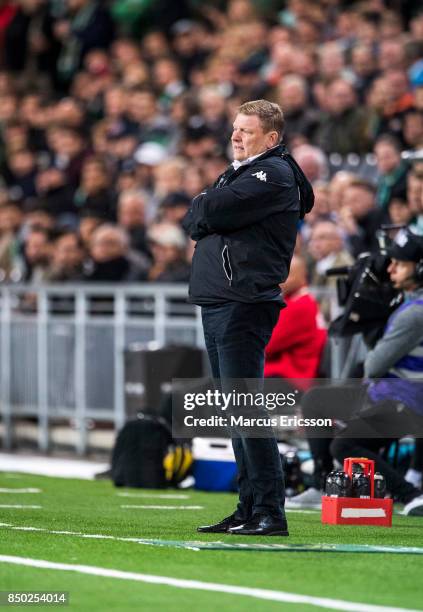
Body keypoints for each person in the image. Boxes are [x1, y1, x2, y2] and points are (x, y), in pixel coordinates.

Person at [183, 99, 303, 536]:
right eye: (235, 128)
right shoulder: (237, 175)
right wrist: (206, 205)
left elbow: (207, 211)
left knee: (247, 410)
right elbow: (194, 218)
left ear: (271, 138)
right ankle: (249, 507)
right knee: (236, 411)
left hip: (243, 301)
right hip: (221, 299)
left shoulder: (273, 173)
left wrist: (207, 204)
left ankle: (270, 510)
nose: (236, 136)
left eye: (246, 131)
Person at [287, 230, 423, 512]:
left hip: (408, 401)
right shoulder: (409, 304)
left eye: (399, 264)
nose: (390, 269)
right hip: (389, 393)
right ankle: (321, 483)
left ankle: (411, 495)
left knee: (344, 446)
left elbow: (374, 365)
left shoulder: (414, 312)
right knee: (316, 401)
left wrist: (371, 321)